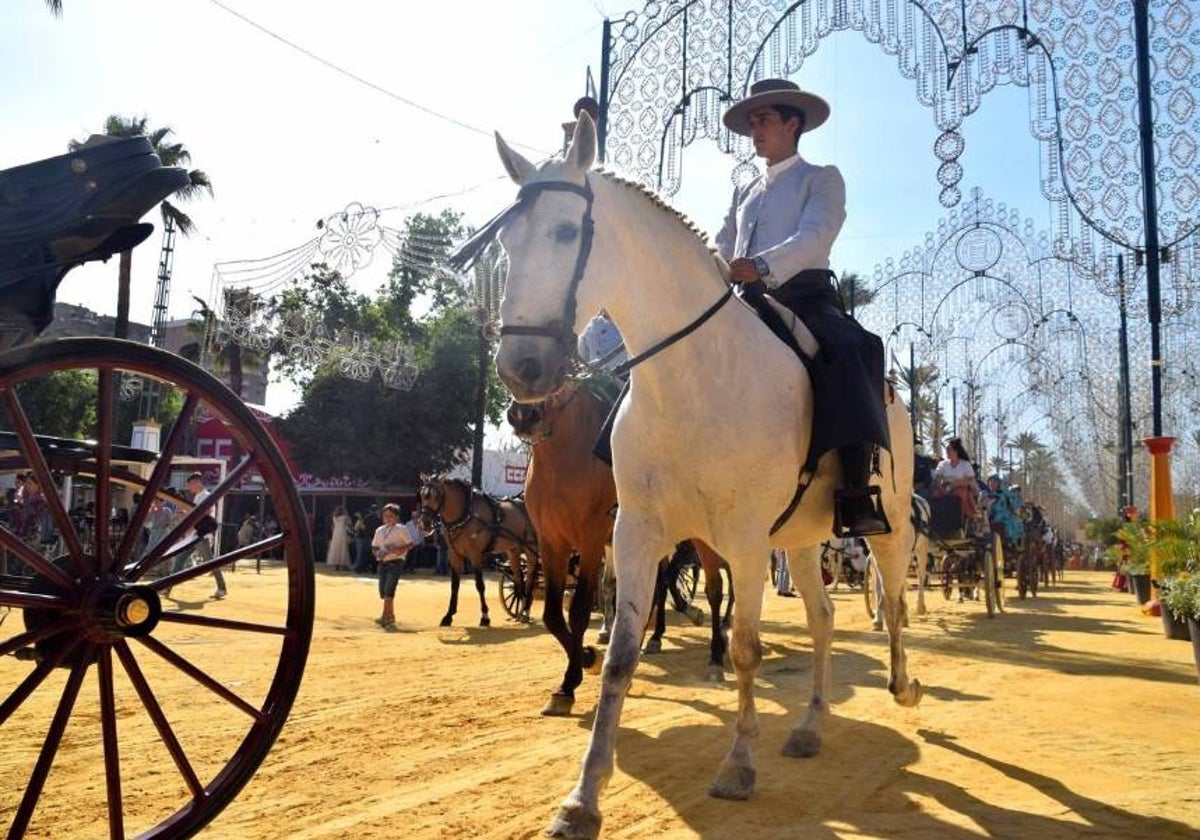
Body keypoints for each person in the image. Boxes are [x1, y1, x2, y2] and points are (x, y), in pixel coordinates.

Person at [715, 78, 890, 538]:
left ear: (793, 123)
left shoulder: (822, 178)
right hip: (743, 300)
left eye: (764, 119)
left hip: (804, 297)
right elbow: (720, 244)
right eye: (752, 121)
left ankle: (853, 490)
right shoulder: (744, 192)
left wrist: (761, 265)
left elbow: (816, 235)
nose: (755, 129)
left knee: (852, 351)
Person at [371, 503, 414, 630]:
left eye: (391, 516)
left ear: (396, 517)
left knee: (389, 590)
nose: (388, 518)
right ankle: (388, 615)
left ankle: (387, 617)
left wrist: (398, 549)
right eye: (385, 516)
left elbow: (410, 544)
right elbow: (374, 546)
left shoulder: (401, 529)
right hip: (383, 562)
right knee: (383, 592)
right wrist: (377, 553)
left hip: (396, 562)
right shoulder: (379, 530)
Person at [186, 471, 226, 600]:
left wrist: (191, 516)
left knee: (210, 562)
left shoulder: (206, 496)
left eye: (190, 484)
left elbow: (206, 512)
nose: (189, 487)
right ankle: (167, 587)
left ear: (197, 482)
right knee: (180, 559)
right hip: (196, 533)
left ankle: (222, 587)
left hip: (202, 534)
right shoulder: (197, 497)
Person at [932, 438, 978, 520]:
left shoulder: (965, 464)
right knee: (935, 496)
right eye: (946, 450)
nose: (947, 452)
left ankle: (964, 517)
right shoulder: (942, 464)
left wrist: (954, 484)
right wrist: (942, 487)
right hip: (944, 487)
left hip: (960, 488)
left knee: (960, 494)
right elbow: (938, 477)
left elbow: (970, 479)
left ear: (956, 451)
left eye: (949, 450)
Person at [577, 309, 627, 373]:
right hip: (596, 375)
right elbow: (581, 356)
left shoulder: (623, 327)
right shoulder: (589, 328)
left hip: (620, 372)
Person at [326, 505, 352, 571]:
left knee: (335, 548)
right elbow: (349, 523)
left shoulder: (334, 517)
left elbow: (333, 526)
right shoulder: (345, 517)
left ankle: (336, 565)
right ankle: (343, 565)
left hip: (335, 534)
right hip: (342, 533)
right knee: (342, 548)